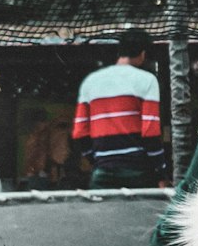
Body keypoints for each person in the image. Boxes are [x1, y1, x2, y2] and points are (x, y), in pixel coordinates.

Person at [72, 28, 168, 189]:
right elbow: (150, 132)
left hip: (102, 171)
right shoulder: (147, 80)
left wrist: (97, 161)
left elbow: (80, 132)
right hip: (137, 172)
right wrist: (161, 173)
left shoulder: (91, 81)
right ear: (143, 53)